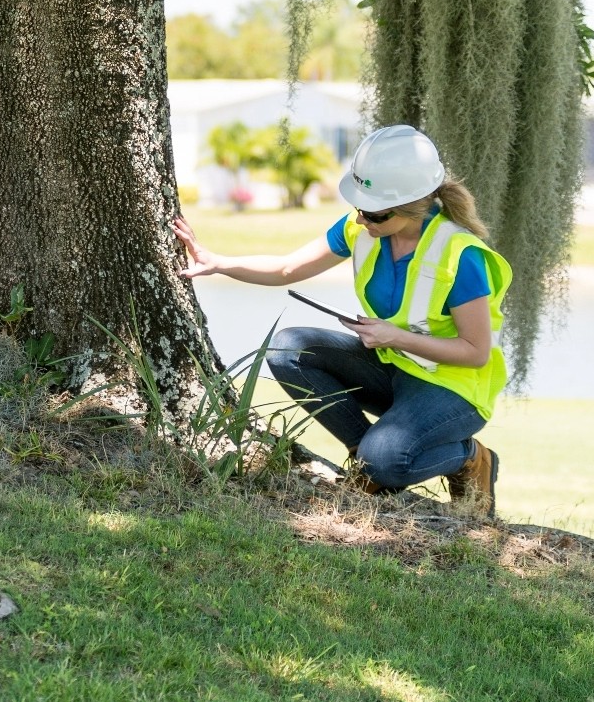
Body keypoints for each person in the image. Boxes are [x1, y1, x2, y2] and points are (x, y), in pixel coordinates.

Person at [173, 124, 513, 518]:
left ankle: (469, 458)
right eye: (360, 207)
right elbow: (286, 268)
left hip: (454, 387)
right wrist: (218, 262)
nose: (363, 218)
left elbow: (474, 353)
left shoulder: (462, 255)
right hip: (393, 366)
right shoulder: (362, 227)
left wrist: (394, 336)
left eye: (374, 212)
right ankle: (369, 466)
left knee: (387, 461)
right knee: (288, 349)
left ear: (412, 205)